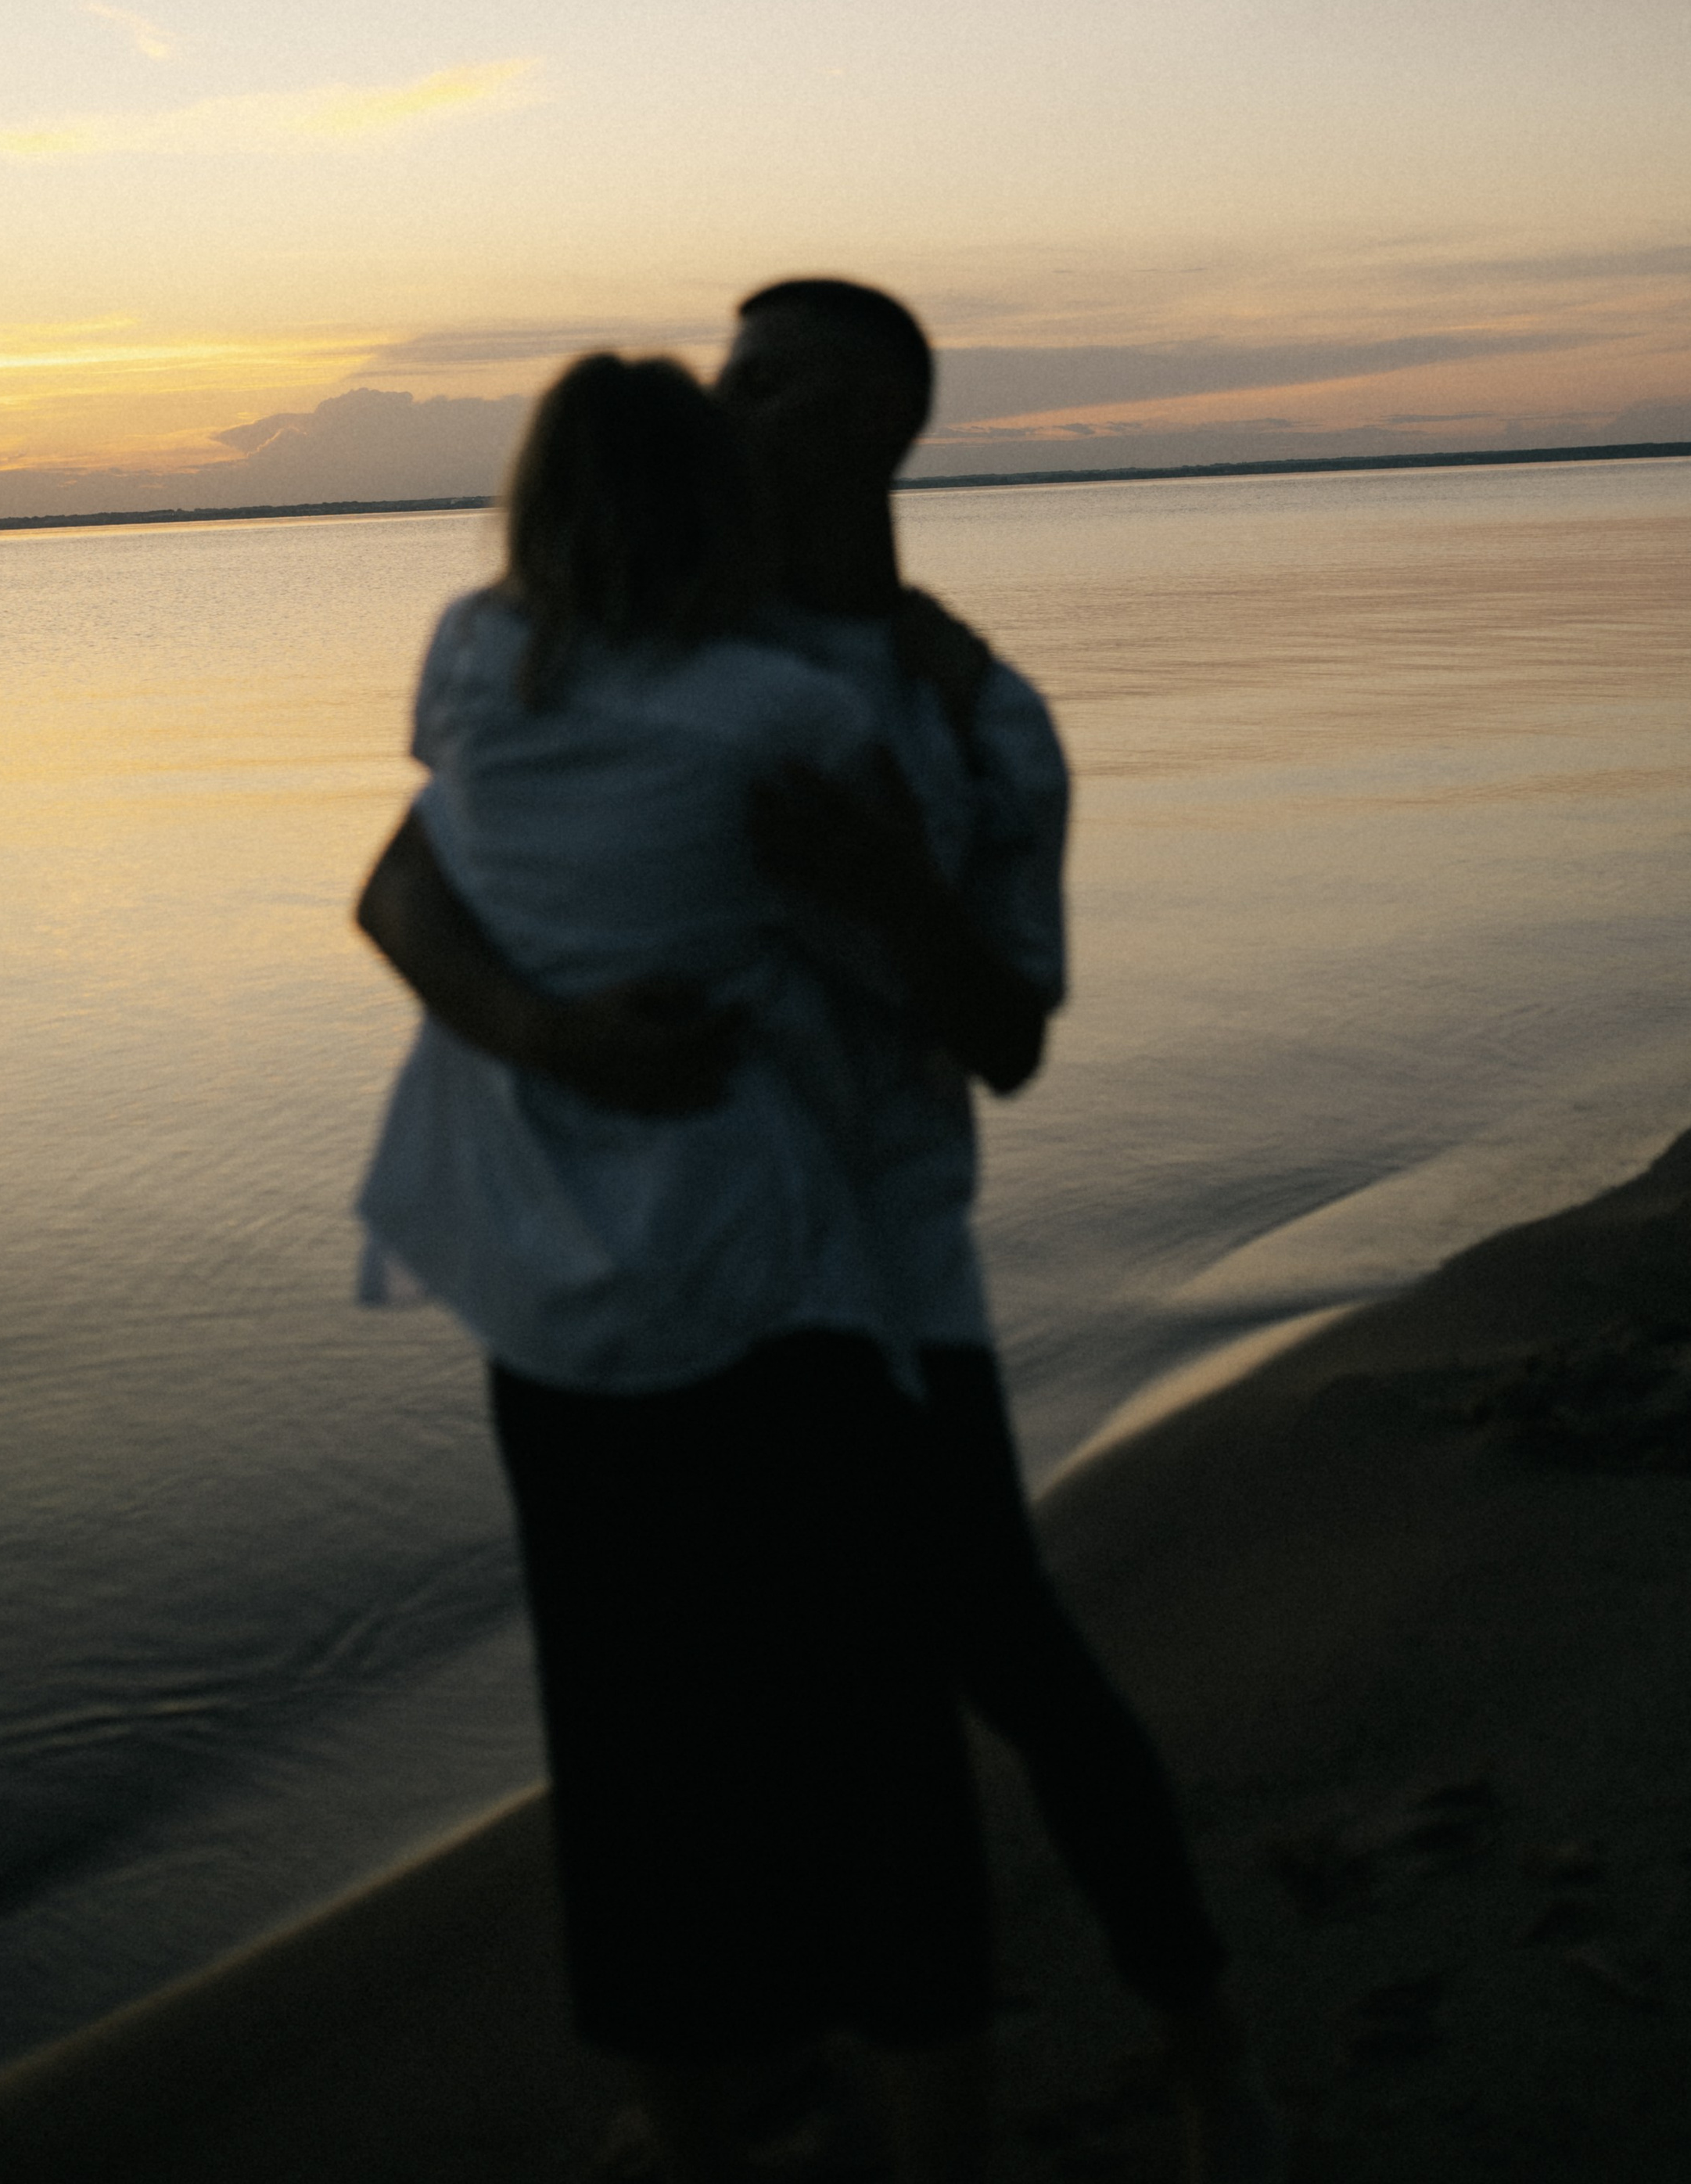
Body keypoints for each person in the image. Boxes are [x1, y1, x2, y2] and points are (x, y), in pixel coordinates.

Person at [359, 283, 1284, 2184]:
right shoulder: (613, 643)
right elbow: (402, 889)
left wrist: (886, 889)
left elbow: (1008, 1036)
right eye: (722, 370)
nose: (727, 398)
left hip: (881, 1279)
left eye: (769, 375)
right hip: (660, 1292)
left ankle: (1200, 2043)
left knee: (1005, 1680)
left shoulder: (966, 711)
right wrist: (547, 1034)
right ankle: (765, 2082)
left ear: (873, 418)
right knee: (708, 1726)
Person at [357, 350, 993, 2184]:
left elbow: (409, 878)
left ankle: (694, 2117)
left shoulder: (466, 662)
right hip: (761, 1294)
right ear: (724, 512)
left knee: (632, 1744)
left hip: (551, 1315)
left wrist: (540, 1027)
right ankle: (928, 2124)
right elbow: (923, 987)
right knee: (867, 1736)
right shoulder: (784, 713)